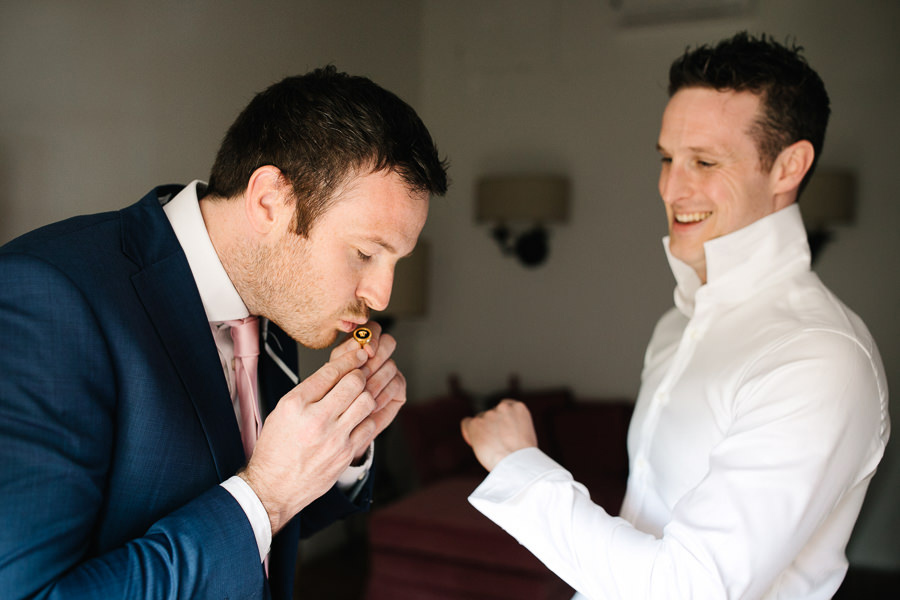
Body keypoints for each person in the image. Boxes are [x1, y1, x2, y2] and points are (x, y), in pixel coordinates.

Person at [460, 32, 889, 599]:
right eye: (667, 158)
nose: (671, 187)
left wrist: (519, 466)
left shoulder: (819, 359)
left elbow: (689, 589)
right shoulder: (676, 326)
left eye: (704, 161)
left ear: (789, 167)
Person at [0, 66, 448, 599]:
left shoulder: (270, 297)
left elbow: (262, 539)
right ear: (270, 203)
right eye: (366, 252)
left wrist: (345, 443)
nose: (381, 296)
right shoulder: (47, 296)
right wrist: (267, 494)